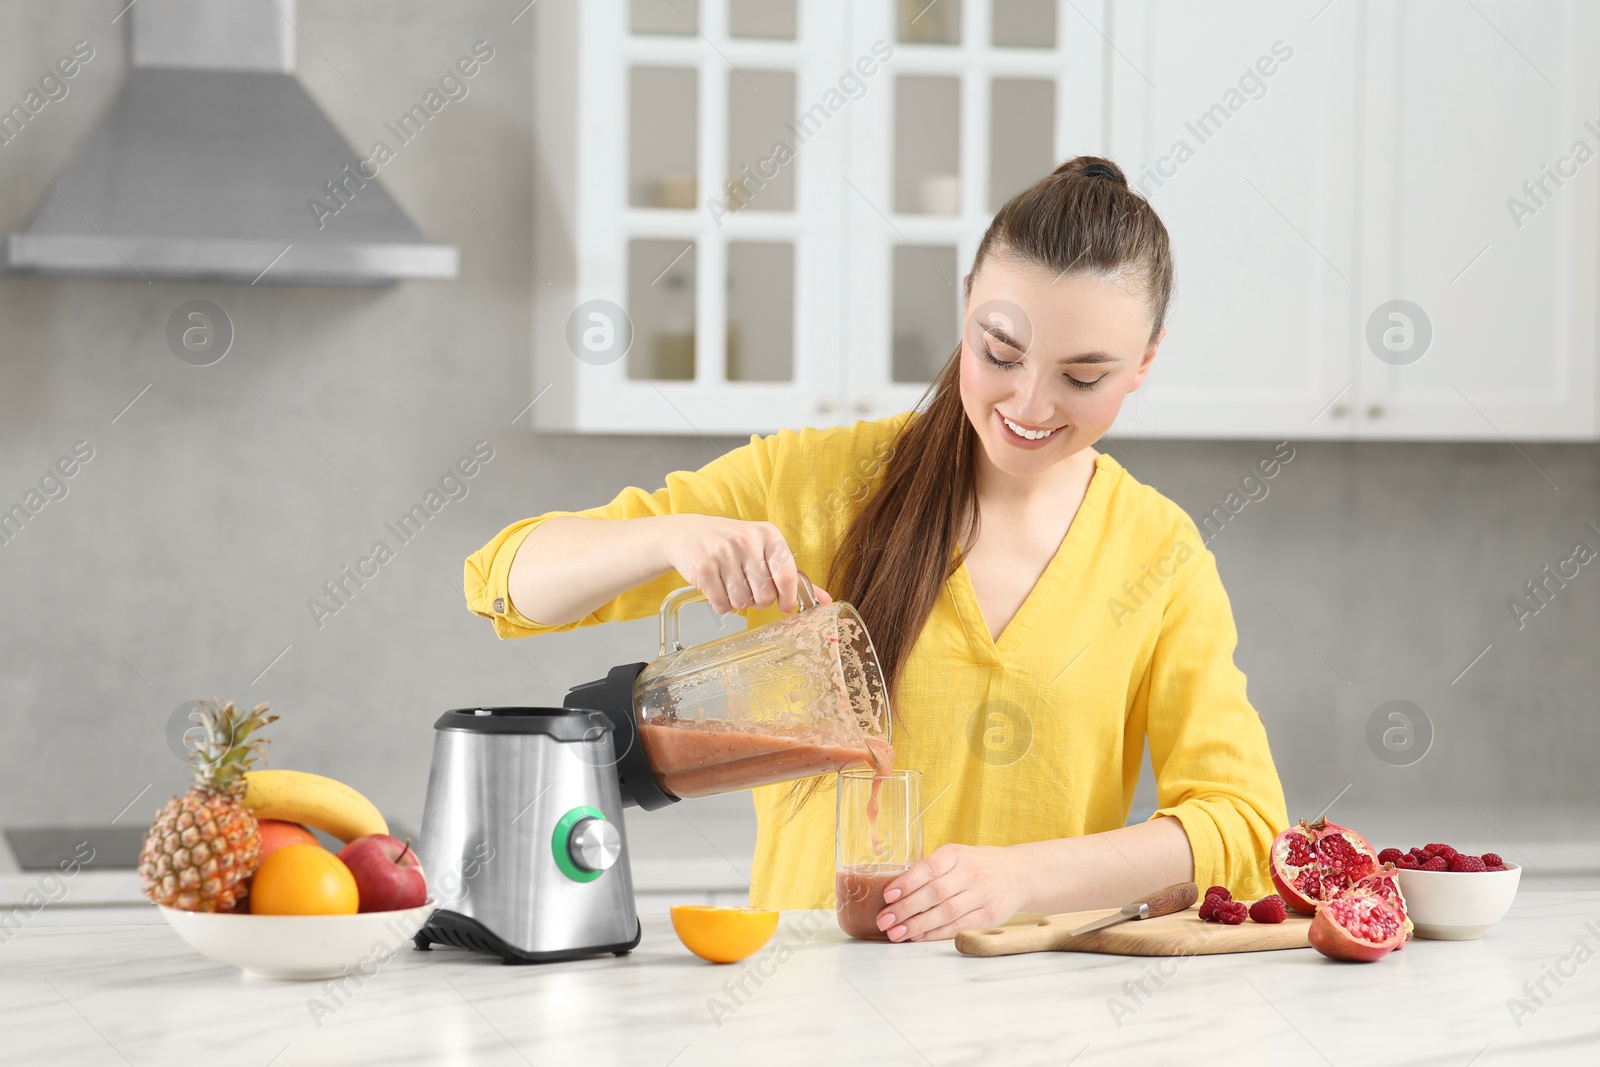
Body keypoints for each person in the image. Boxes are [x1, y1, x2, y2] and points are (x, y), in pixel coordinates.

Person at [464, 155, 1289, 942]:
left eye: (1083, 377)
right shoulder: (813, 484)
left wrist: (1022, 879)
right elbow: (504, 581)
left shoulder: (1159, 552)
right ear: (967, 304)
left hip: (1034, 1014)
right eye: (1000, 352)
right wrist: (668, 537)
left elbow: (1242, 823)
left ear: (1143, 364)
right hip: (810, 1017)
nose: (1029, 402)